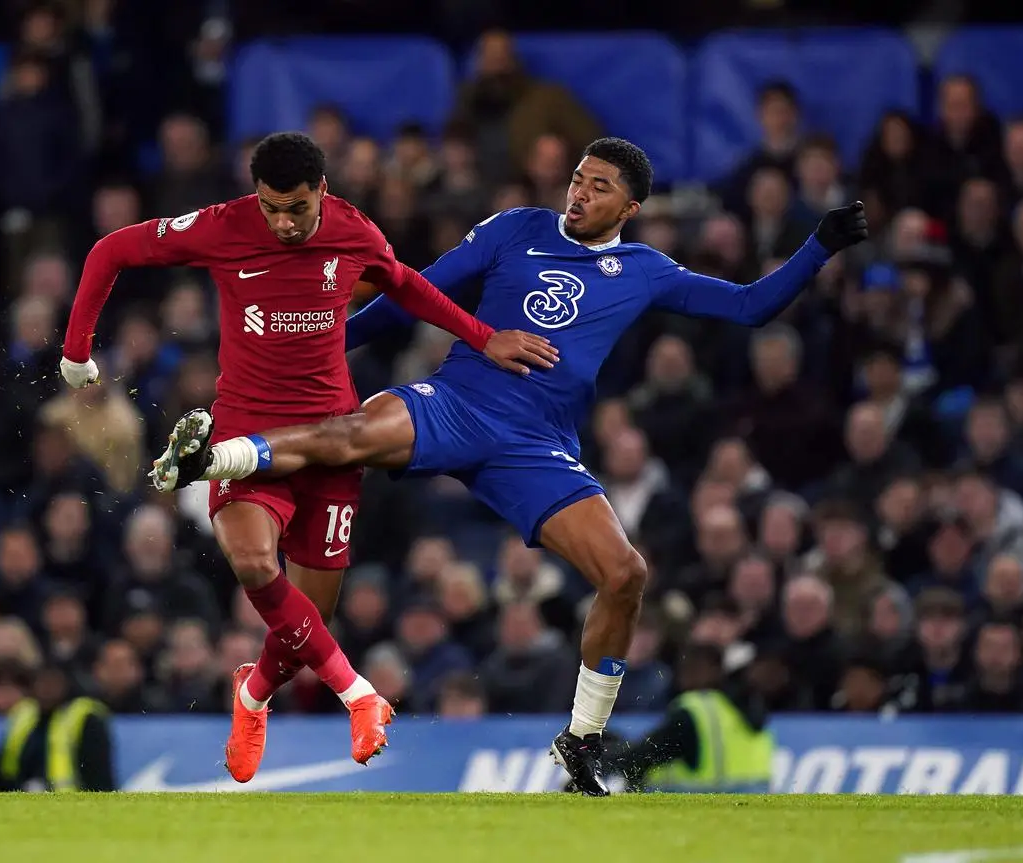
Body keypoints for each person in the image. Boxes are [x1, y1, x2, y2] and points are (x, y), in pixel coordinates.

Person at [154, 136, 868, 795]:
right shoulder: (514, 229)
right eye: (578, 179)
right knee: (348, 433)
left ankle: (582, 741)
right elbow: (409, 295)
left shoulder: (645, 270)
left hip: (536, 445)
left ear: (632, 206)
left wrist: (819, 246)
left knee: (626, 574)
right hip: (457, 400)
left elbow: (748, 307)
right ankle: (217, 457)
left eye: (600, 186)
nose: (580, 193)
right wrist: (323, 351)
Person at [57, 131, 554, 783]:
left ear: (323, 190)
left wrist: (483, 337)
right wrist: (76, 348)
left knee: (303, 623)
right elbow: (110, 249)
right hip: (245, 434)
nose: (284, 222)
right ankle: (361, 694)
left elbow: (404, 285)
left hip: (330, 439)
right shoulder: (224, 226)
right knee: (255, 561)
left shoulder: (353, 231)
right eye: (271, 207)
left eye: (296, 207)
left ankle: (252, 693)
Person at [581, 642, 775, 794]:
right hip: (755, 796)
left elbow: (645, 755)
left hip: (707, 795)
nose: (684, 676)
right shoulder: (743, 705)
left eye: (691, 668)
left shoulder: (695, 709)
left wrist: (599, 756)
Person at [0, 662, 116, 792]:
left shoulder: (84, 718)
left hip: (69, 809)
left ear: (66, 683)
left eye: (53, 682)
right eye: (42, 682)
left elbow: (100, 781)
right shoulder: (24, 716)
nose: (46, 689)